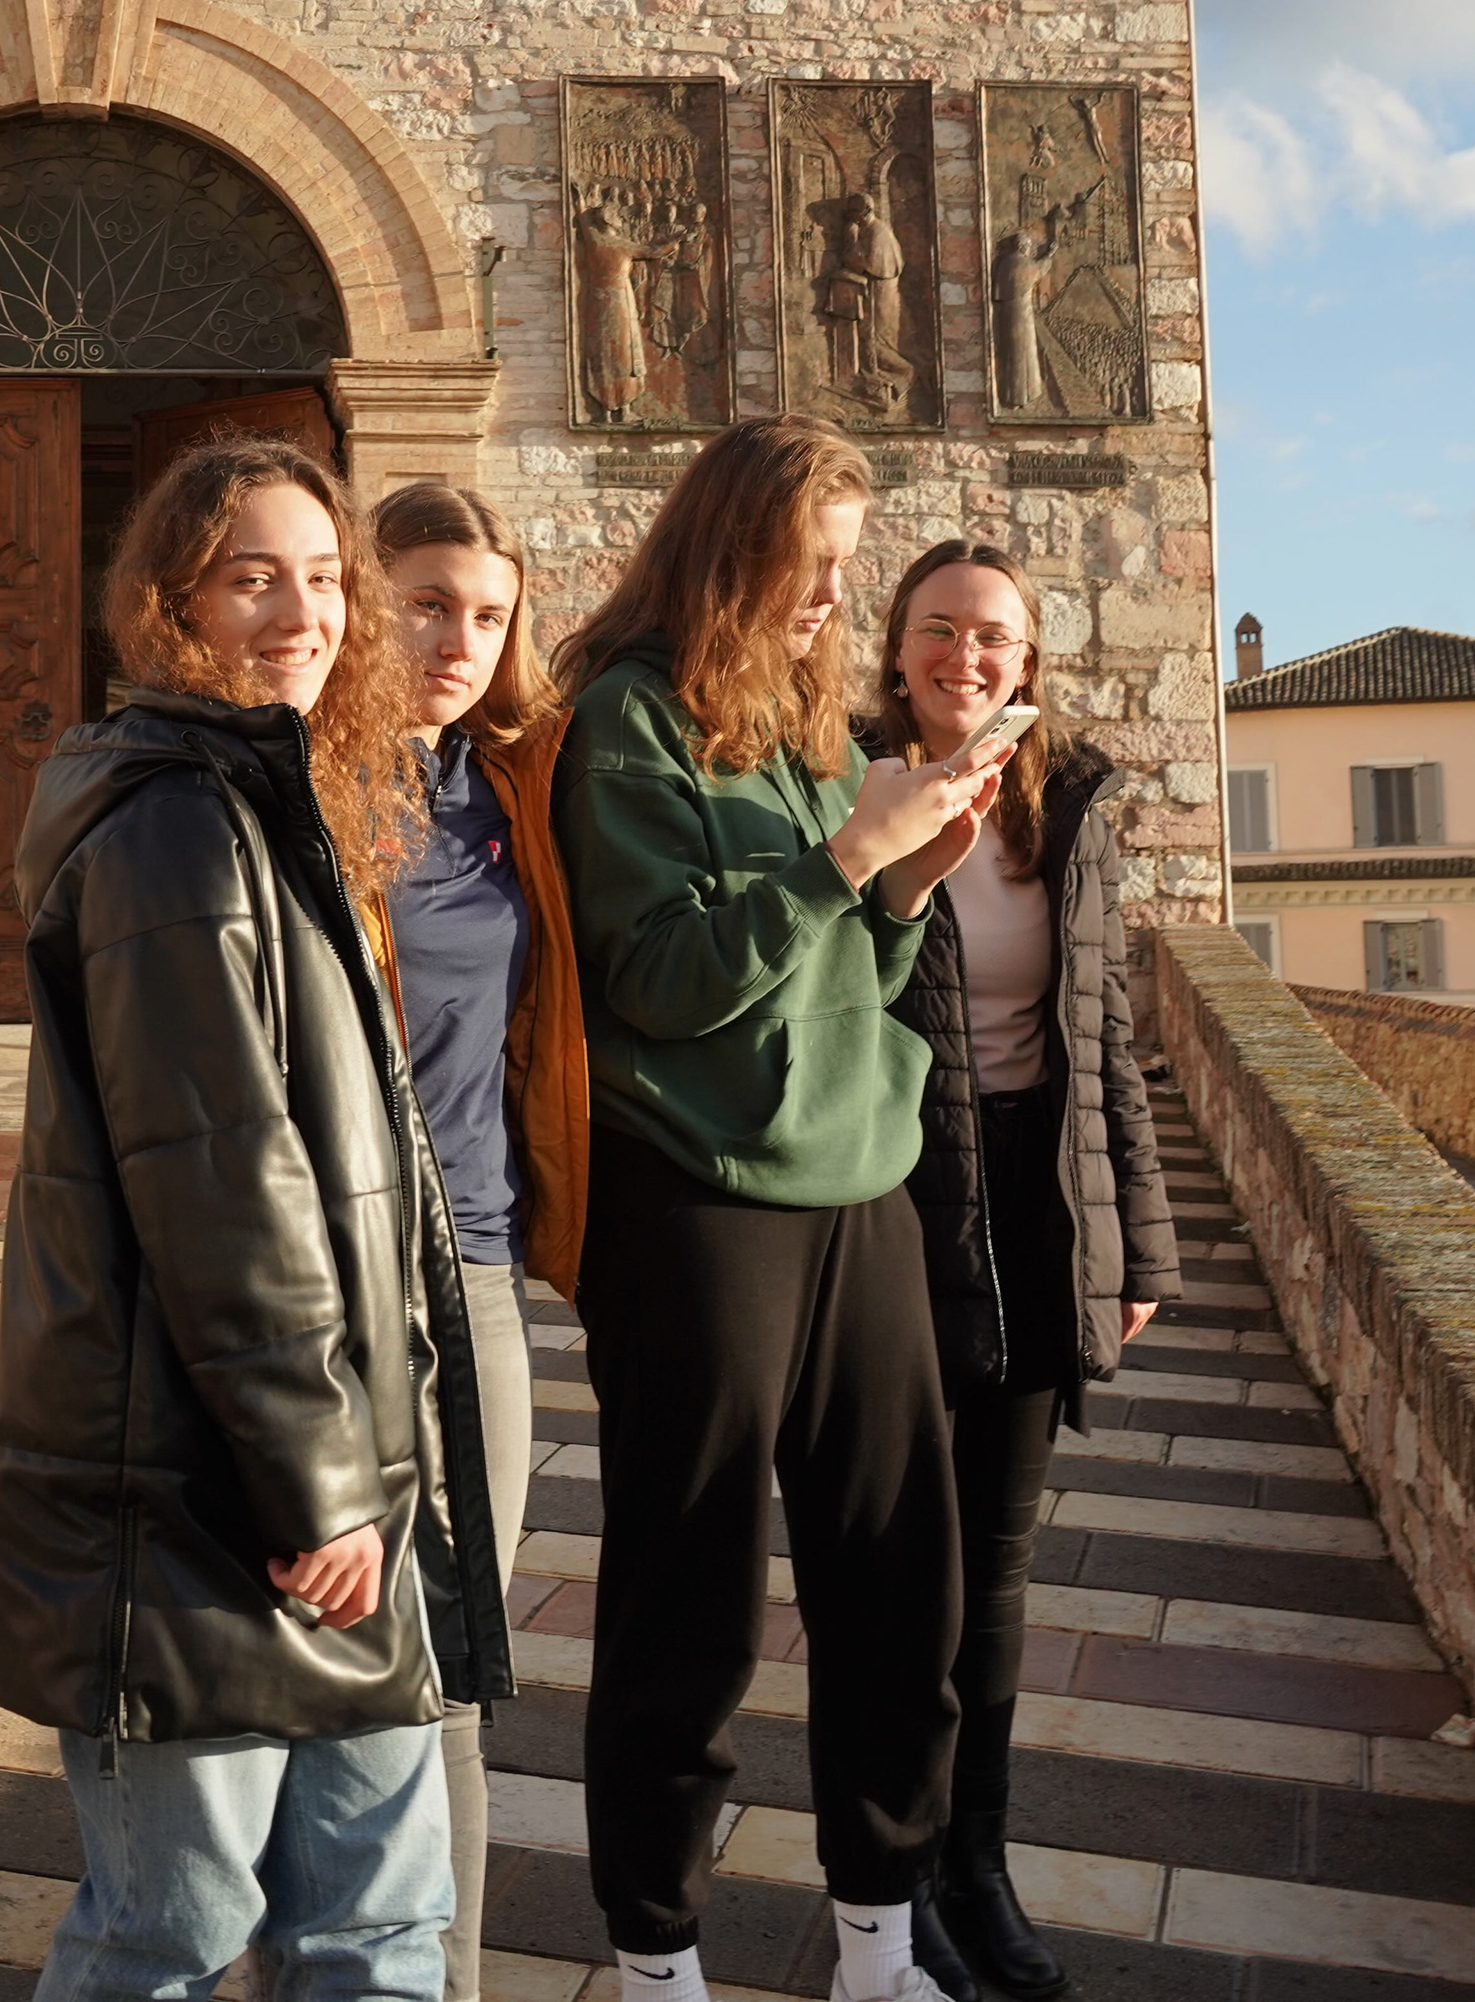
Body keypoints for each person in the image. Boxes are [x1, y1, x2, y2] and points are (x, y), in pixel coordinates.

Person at [0, 434, 508, 2002]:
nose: (304, 613)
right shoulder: (176, 830)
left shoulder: (280, 800)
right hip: (202, 1500)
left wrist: (360, 1479)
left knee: (382, 1928)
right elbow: (221, 1185)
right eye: (254, 578)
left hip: (328, 1476)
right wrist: (321, 1488)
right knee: (171, 1933)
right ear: (173, 603)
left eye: (325, 577)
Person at [552, 414, 1010, 2002]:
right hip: (698, 1205)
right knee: (688, 1604)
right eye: (809, 564)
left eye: (844, 565)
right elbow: (662, 980)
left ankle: (879, 1943)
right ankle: (656, 1959)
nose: (832, 597)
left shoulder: (813, 720)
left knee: (900, 1587)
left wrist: (904, 882)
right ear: (727, 547)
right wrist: (842, 862)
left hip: (861, 1186)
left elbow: (857, 977)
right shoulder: (627, 718)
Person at [871, 542, 1181, 2002]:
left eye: (993, 635)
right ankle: (892, 1880)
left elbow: (1103, 1029)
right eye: (939, 630)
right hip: (896, 1199)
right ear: (898, 648)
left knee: (994, 1574)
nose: (966, 656)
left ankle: (975, 1868)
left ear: (1029, 659)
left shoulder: (1067, 805)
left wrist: (1140, 1244)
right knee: (899, 1573)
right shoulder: (855, 785)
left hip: (1042, 1208)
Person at [372, 479, 592, 2002]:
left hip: (478, 1263)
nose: (460, 638)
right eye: (428, 604)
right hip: (324, 1280)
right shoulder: (286, 787)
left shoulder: (514, 784)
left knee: (458, 1666)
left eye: (489, 614)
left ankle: (444, 1984)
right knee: (314, 1665)